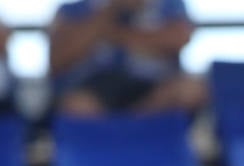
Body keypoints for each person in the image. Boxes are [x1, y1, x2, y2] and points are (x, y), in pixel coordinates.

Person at [47, 0, 205, 117]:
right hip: (94, 88)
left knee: (190, 91)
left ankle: (132, 125)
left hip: (153, 91)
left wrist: (112, 34)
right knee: (76, 106)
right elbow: (57, 60)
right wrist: (113, 8)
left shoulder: (169, 5)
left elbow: (178, 38)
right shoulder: (71, 10)